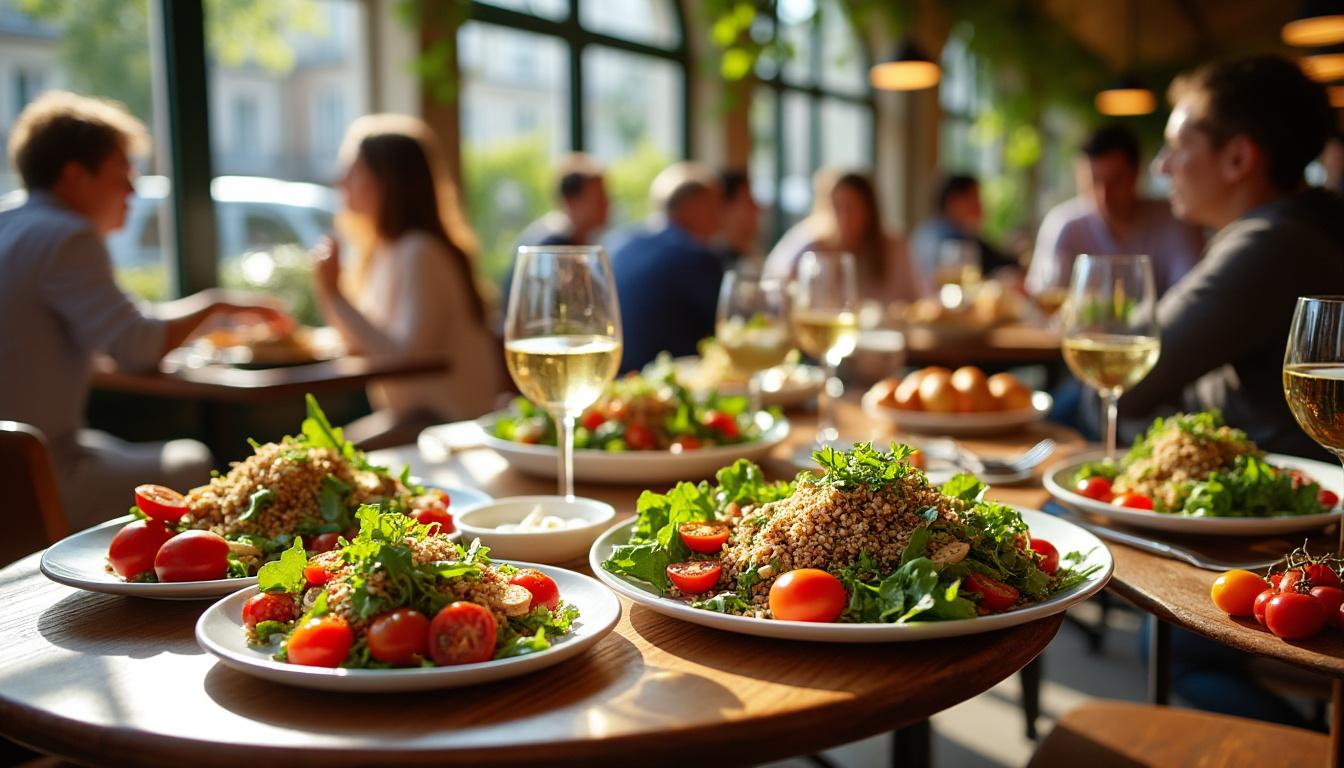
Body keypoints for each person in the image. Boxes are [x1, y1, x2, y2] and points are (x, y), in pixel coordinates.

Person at [0, 91, 289, 530]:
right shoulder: (67, 236)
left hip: (19, 453)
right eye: (123, 173)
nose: (133, 189)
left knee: (117, 447)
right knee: (193, 461)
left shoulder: (11, 223)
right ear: (75, 175)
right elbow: (137, 346)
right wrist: (215, 304)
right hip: (27, 474)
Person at [1117, 55, 1344, 461]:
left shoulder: (1271, 245)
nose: (1161, 166)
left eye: (1177, 147)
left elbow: (1123, 374)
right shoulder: (1309, 224)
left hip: (1269, 502)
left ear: (1238, 159)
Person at [312, 114, 502, 448]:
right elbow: (358, 343)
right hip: (414, 417)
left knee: (328, 460)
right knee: (321, 455)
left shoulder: (420, 252)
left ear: (387, 181)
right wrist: (329, 291)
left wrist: (335, 293)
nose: (341, 181)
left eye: (353, 170)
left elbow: (407, 358)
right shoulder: (384, 252)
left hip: (445, 424)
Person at [1027, 124, 1204, 297]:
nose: (1104, 196)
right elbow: (1044, 298)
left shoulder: (1174, 220)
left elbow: (1191, 296)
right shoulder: (1062, 224)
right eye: (1093, 182)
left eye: (1116, 181)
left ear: (1136, 174)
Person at [611, 162, 725, 372]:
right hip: (670, 387)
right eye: (714, 205)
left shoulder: (618, 245)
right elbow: (726, 333)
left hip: (614, 379)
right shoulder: (697, 258)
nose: (720, 217)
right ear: (693, 207)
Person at [763, 169, 921, 303]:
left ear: (870, 211)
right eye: (838, 207)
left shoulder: (895, 247)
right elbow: (775, 286)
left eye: (851, 208)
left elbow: (914, 300)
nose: (844, 217)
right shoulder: (812, 247)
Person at [910, 174, 1018, 293]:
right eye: (975, 200)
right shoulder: (954, 240)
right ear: (954, 201)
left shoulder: (923, 232)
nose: (981, 208)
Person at [715, 168, 762, 271]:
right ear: (724, 208)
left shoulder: (746, 256)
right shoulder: (711, 266)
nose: (758, 208)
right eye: (748, 200)